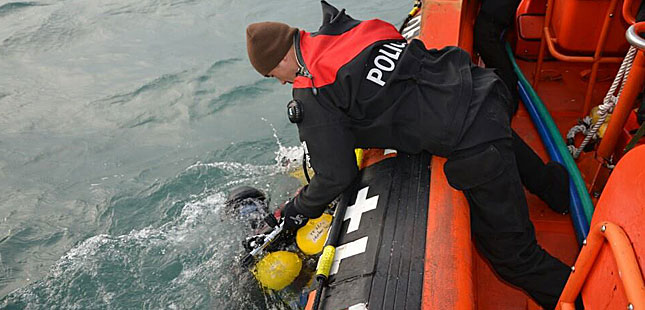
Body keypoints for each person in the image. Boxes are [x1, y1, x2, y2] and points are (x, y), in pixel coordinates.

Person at [245, 1, 574, 308]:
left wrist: (292, 214)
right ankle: (558, 191)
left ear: (281, 61)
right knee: (492, 129)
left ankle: (591, 298)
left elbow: (336, 175)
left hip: (473, 139)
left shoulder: (313, 90)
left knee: (513, 259)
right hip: (480, 86)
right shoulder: (345, 28)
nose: (281, 82)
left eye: (275, 76)